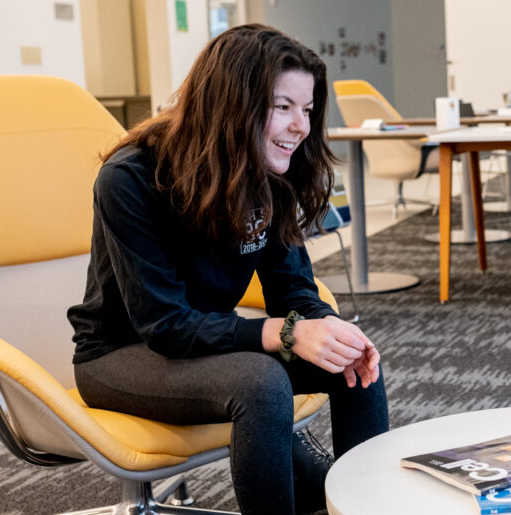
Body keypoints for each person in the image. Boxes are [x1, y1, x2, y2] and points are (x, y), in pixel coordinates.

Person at [67, 25, 388, 515]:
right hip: (120, 354)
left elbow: (294, 288)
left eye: (306, 109)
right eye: (283, 107)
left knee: (354, 366)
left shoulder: (265, 174)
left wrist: (326, 327)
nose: (301, 126)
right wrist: (284, 333)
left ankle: (364, 508)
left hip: (204, 344)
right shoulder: (129, 179)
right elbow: (167, 326)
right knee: (260, 381)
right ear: (229, 102)